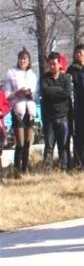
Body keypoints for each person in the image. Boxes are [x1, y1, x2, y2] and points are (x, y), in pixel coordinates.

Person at [4, 48, 38, 176]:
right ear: (18, 60)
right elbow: (6, 94)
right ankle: (17, 171)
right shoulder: (11, 73)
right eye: (21, 58)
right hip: (18, 110)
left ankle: (25, 168)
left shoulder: (33, 75)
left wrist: (31, 94)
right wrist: (17, 93)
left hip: (30, 110)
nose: (23, 61)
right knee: (20, 142)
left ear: (29, 61)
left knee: (29, 141)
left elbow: (37, 92)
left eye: (25, 59)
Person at [40, 52, 73, 170]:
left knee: (63, 146)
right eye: (50, 64)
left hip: (63, 116)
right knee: (49, 146)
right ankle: (47, 169)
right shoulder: (45, 78)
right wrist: (59, 91)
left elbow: (67, 94)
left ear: (59, 64)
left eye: (54, 64)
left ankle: (63, 168)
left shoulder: (66, 78)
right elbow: (45, 92)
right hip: (49, 118)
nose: (52, 66)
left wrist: (53, 92)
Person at [66, 44, 84, 164]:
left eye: (81, 52)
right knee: (77, 135)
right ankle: (77, 161)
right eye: (77, 52)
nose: (78, 55)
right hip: (77, 106)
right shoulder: (71, 70)